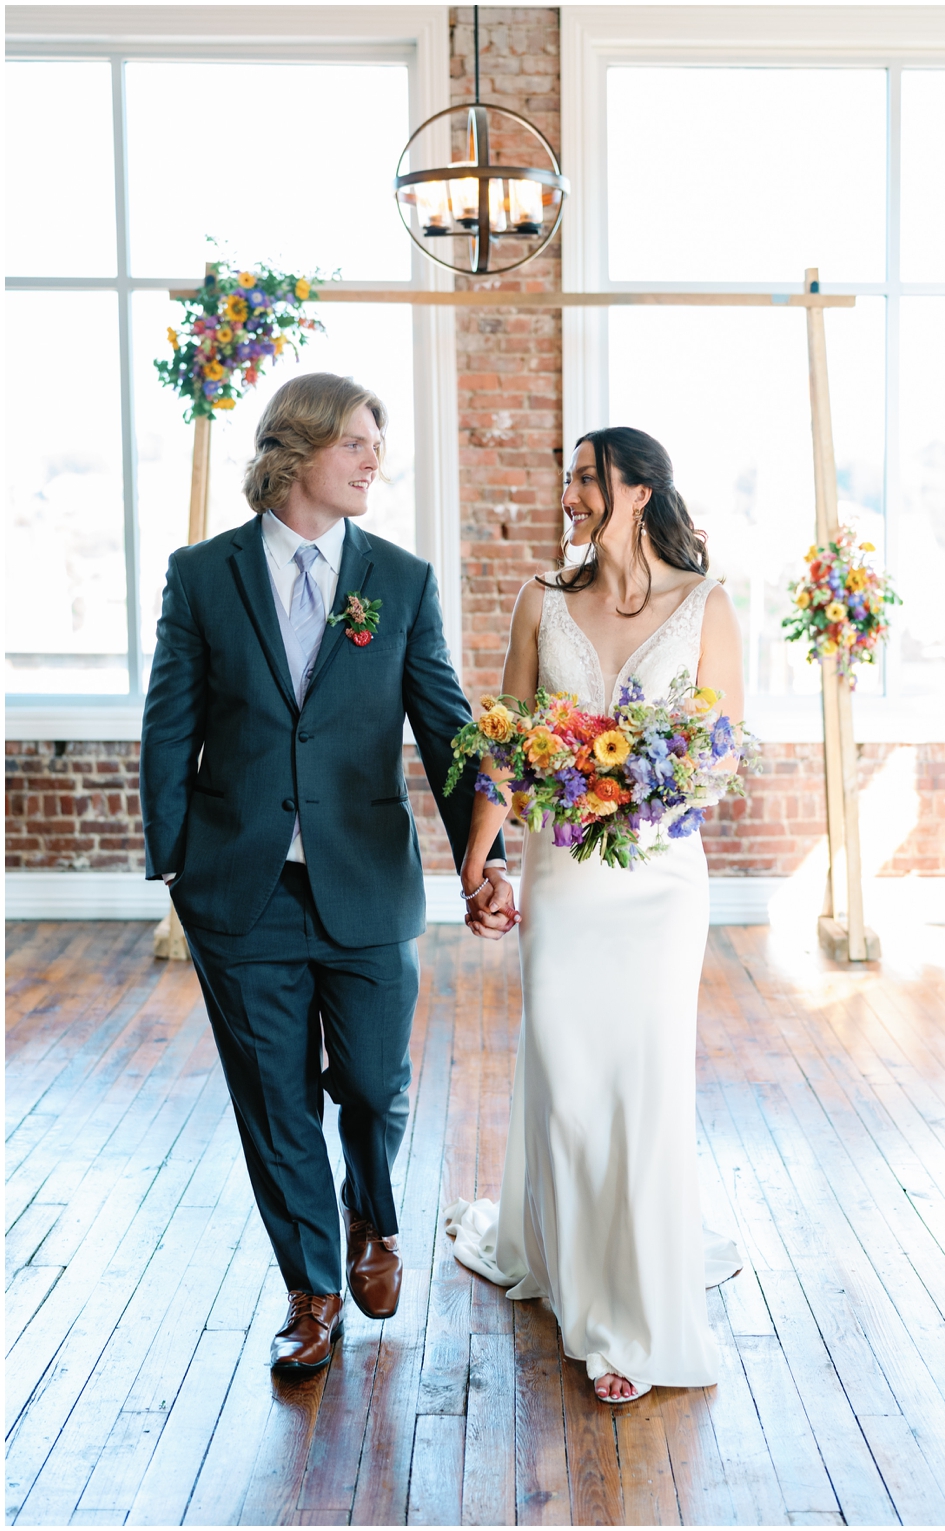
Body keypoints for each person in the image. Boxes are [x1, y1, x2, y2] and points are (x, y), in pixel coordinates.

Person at [140, 373, 512, 1377]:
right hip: (238, 888)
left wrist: (486, 859)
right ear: (296, 450)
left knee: (375, 1084)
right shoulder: (202, 574)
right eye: (353, 442)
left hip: (366, 882)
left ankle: (372, 1220)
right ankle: (311, 1291)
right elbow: (170, 720)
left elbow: (446, 727)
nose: (370, 460)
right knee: (274, 1099)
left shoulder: (399, 577)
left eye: (374, 444)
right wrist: (172, 861)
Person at [447, 426, 744, 1403]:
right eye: (566, 473)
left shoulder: (705, 603)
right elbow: (503, 741)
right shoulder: (545, 598)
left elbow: (720, 753)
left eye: (585, 475)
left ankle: (625, 1322)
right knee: (569, 1074)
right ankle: (571, 1267)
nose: (568, 490)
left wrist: (639, 792)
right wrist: (479, 859)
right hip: (567, 872)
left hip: (660, 876)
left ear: (638, 486)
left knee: (645, 1075)